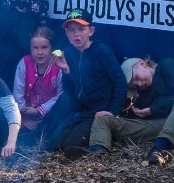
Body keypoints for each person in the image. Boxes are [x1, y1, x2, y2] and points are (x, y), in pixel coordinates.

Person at [81, 58, 174, 163]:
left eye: (136, 78)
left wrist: (152, 110)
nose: (139, 84)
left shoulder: (166, 66)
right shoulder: (142, 92)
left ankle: (160, 147)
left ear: (142, 63)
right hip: (159, 126)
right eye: (135, 85)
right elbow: (132, 118)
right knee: (104, 119)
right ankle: (98, 150)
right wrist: (113, 114)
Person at [43, 9, 128, 155]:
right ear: (66, 33)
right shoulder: (68, 53)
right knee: (51, 146)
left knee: (71, 146)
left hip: (96, 113)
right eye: (71, 30)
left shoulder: (102, 52)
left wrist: (112, 111)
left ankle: (102, 139)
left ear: (91, 31)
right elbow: (69, 91)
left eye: (82, 29)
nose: (76, 34)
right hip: (77, 112)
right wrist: (66, 70)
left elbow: (120, 82)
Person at [13, 27, 63, 145]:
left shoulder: (58, 68)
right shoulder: (25, 63)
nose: (40, 52)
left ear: (52, 48)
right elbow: (17, 92)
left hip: (48, 116)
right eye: (35, 48)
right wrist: (24, 117)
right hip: (25, 115)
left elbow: (61, 95)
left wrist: (39, 111)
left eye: (44, 47)